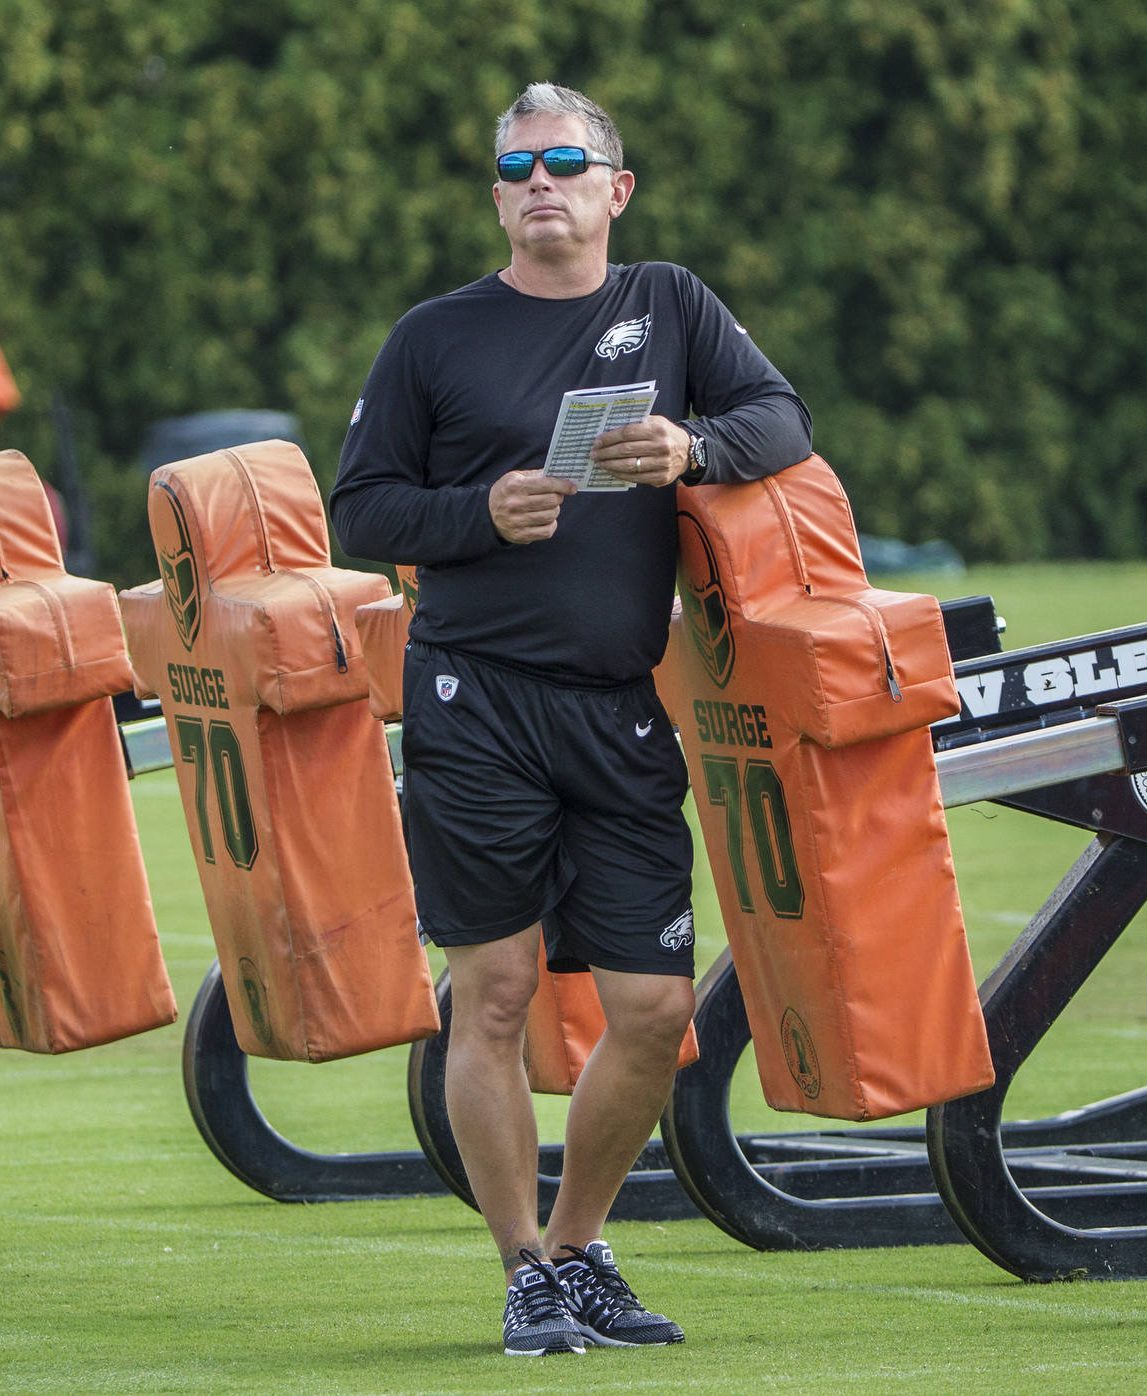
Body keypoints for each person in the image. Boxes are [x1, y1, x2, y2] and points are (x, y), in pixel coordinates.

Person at [330, 82, 812, 1357]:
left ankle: (579, 1245)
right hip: (470, 698)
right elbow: (360, 512)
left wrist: (690, 448)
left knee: (652, 1009)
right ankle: (518, 1269)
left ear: (615, 188)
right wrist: (474, 515)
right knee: (490, 994)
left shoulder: (667, 302)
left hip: (617, 707)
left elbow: (784, 420)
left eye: (564, 162)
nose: (541, 181)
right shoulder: (432, 338)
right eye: (516, 167)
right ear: (495, 195)